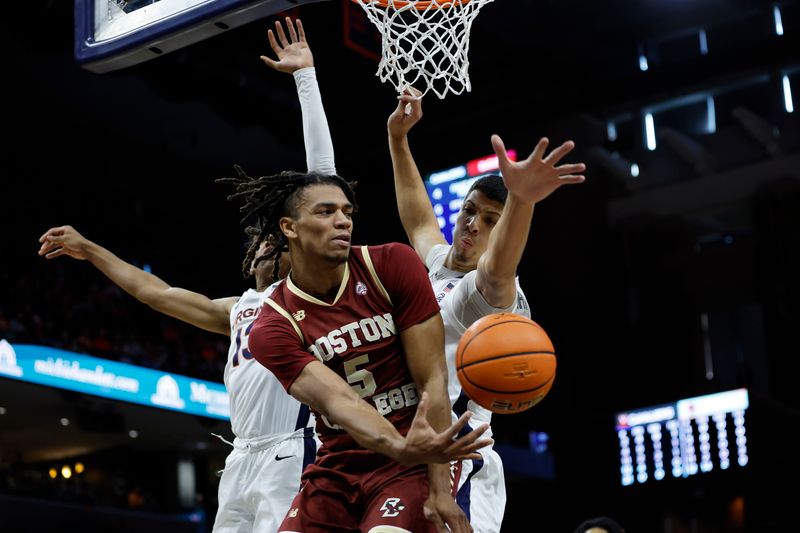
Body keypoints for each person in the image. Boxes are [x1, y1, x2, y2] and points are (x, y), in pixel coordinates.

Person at [37, 17, 337, 533]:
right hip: (241, 456)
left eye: (272, 238)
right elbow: (154, 292)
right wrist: (91, 250)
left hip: (293, 452)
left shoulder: (305, 293)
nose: (261, 244)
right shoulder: (238, 308)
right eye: (256, 241)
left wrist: (305, 80)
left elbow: (324, 183)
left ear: (292, 247)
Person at [219, 166, 493, 533]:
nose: (342, 221)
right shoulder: (271, 328)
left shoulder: (391, 264)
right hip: (338, 465)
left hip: (412, 459)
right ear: (289, 227)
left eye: (347, 213)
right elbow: (341, 401)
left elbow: (432, 380)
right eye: (325, 212)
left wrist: (440, 487)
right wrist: (396, 445)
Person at [386, 87, 587, 532]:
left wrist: (522, 201)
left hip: (459, 453)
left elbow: (498, 271)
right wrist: (398, 140)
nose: (472, 224)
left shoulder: (484, 293)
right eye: (469, 211)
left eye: (491, 220)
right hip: (412, 441)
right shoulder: (439, 266)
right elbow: (419, 220)